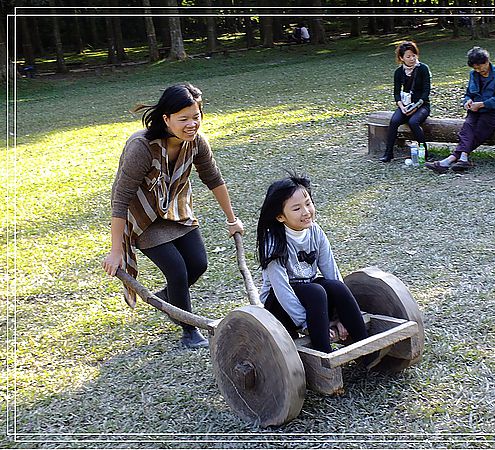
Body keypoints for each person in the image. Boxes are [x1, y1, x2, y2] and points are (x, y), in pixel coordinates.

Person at [102, 83, 244, 349]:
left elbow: (213, 178)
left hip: (177, 209)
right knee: (177, 271)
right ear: (166, 119)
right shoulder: (142, 148)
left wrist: (231, 218)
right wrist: (116, 249)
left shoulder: (196, 143)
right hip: (144, 217)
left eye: (196, 116)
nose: (192, 124)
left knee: (198, 264)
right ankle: (189, 331)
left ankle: (168, 299)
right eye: (184, 119)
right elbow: (120, 198)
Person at [255, 173, 381, 367]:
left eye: (308, 203)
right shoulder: (273, 242)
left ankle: (365, 347)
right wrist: (304, 324)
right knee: (316, 291)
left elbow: (331, 271)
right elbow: (281, 288)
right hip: (280, 305)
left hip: (310, 295)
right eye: (297, 208)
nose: (306, 211)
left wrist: (337, 316)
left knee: (335, 287)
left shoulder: (315, 231)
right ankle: (324, 356)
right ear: (280, 217)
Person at [425, 46, 495, 174]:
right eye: (474, 68)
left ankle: (450, 159)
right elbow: (469, 93)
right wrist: (467, 101)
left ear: (486, 62)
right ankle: (462, 159)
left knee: (479, 131)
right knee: (467, 128)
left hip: (493, 113)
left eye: (479, 67)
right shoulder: (473, 74)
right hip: (475, 110)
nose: (477, 70)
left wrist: (482, 104)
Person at [380, 41, 431, 163]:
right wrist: (402, 107)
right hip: (406, 105)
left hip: (422, 105)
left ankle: (424, 153)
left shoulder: (423, 69)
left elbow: (426, 92)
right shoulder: (399, 72)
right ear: (401, 58)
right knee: (394, 121)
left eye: (414, 55)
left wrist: (416, 106)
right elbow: (396, 93)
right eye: (408, 56)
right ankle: (388, 153)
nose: (412, 59)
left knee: (413, 122)